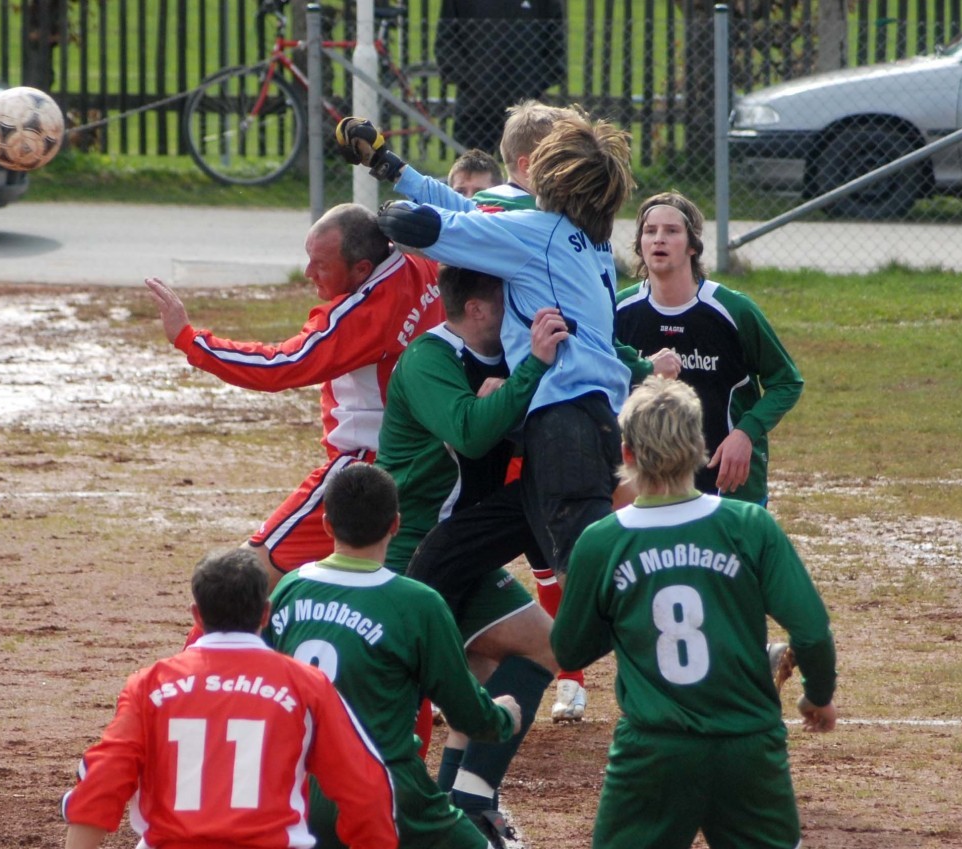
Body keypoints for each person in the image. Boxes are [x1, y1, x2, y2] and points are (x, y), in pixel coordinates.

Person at [336, 110, 679, 725]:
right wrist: (390, 166)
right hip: (568, 432)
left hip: (567, 427)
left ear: (544, 176)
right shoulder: (585, 238)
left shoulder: (538, 233)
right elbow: (480, 218)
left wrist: (385, 208)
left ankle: (713, 654)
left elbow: (426, 226)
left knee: (593, 580)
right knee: (440, 561)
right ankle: (423, 689)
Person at [551, 377, 837, 849]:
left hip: (652, 753)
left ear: (625, 454)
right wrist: (819, 695)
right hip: (749, 746)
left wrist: (628, 616)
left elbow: (570, 647)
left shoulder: (602, 541)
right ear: (701, 448)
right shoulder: (749, 525)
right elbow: (810, 628)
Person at [145, 203, 442, 590]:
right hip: (431, 462)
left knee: (245, 577)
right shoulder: (424, 265)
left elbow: (280, 366)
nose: (307, 273)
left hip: (366, 465)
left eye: (320, 264)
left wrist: (189, 339)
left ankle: (205, 651)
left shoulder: (365, 312)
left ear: (362, 270)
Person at [378, 265, 566, 842]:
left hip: (467, 551)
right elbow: (470, 432)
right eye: (507, 301)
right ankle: (399, 810)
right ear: (480, 309)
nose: (517, 312)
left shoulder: (502, 352)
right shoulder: (429, 358)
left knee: (532, 652)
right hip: (410, 554)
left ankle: (466, 801)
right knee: (394, 702)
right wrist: (527, 372)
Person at [61, 548, 399, 849]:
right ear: (265, 614)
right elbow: (367, 792)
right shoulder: (307, 685)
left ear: (197, 615)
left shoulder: (149, 686)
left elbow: (101, 782)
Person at [267, 463, 523, 849]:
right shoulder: (417, 603)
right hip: (383, 788)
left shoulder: (288, 588)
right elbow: (467, 712)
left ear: (327, 526)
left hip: (292, 790)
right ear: (396, 524)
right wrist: (504, 716)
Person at [615, 191, 804, 506]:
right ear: (639, 244)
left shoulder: (734, 310)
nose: (659, 239)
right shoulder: (619, 310)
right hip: (648, 482)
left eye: (672, 231)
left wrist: (745, 434)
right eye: (650, 231)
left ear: (692, 245)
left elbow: (786, 381)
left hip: (726, 479)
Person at [436, 0, 566, 153]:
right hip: (476, 107)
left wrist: (535, 85)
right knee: (474, 169)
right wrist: (470, 81)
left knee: (527, 169)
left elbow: (555, 46)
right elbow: (446, 41)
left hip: (526, 109)